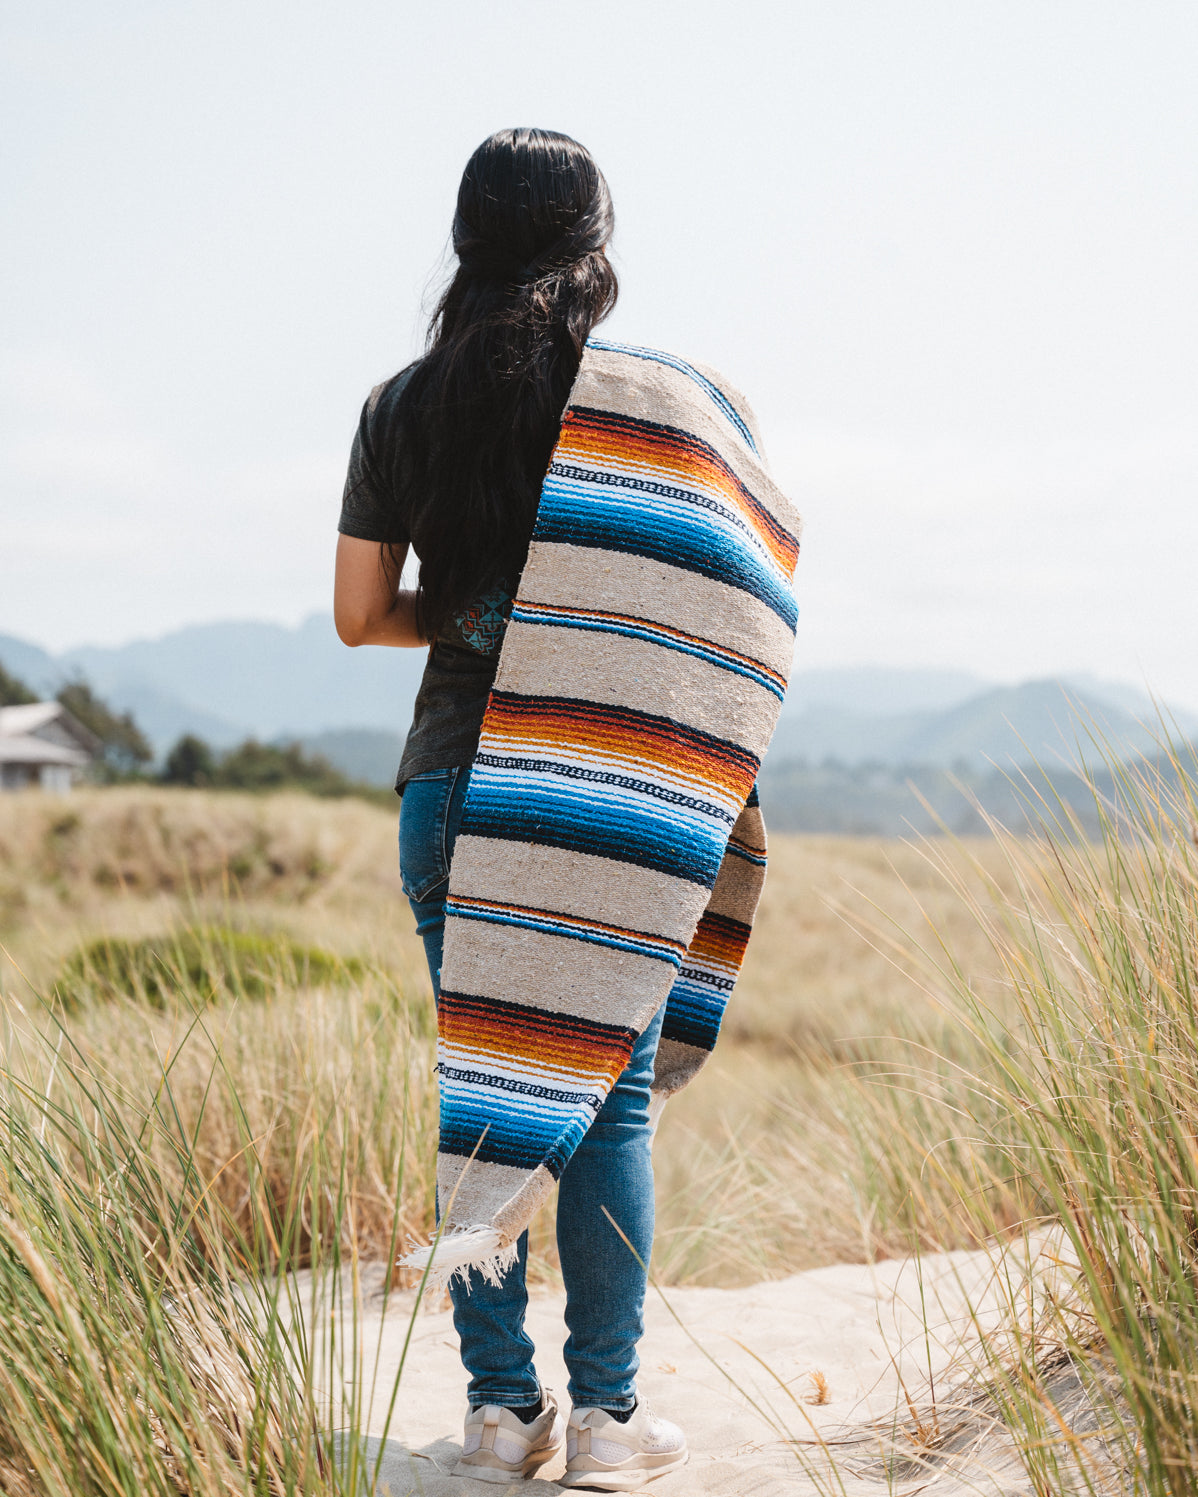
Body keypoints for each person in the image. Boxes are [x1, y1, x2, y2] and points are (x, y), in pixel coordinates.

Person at [333, 128, 688, 1488]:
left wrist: (479, 612)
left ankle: (497, 1414)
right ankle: (603, 1421)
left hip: (454, 782)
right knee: (609, 1108)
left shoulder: (399, 406)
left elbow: (362, 615)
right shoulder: (643, 408)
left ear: (466, 240)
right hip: (608, 793)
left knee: (486, 1093)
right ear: (593, 246)